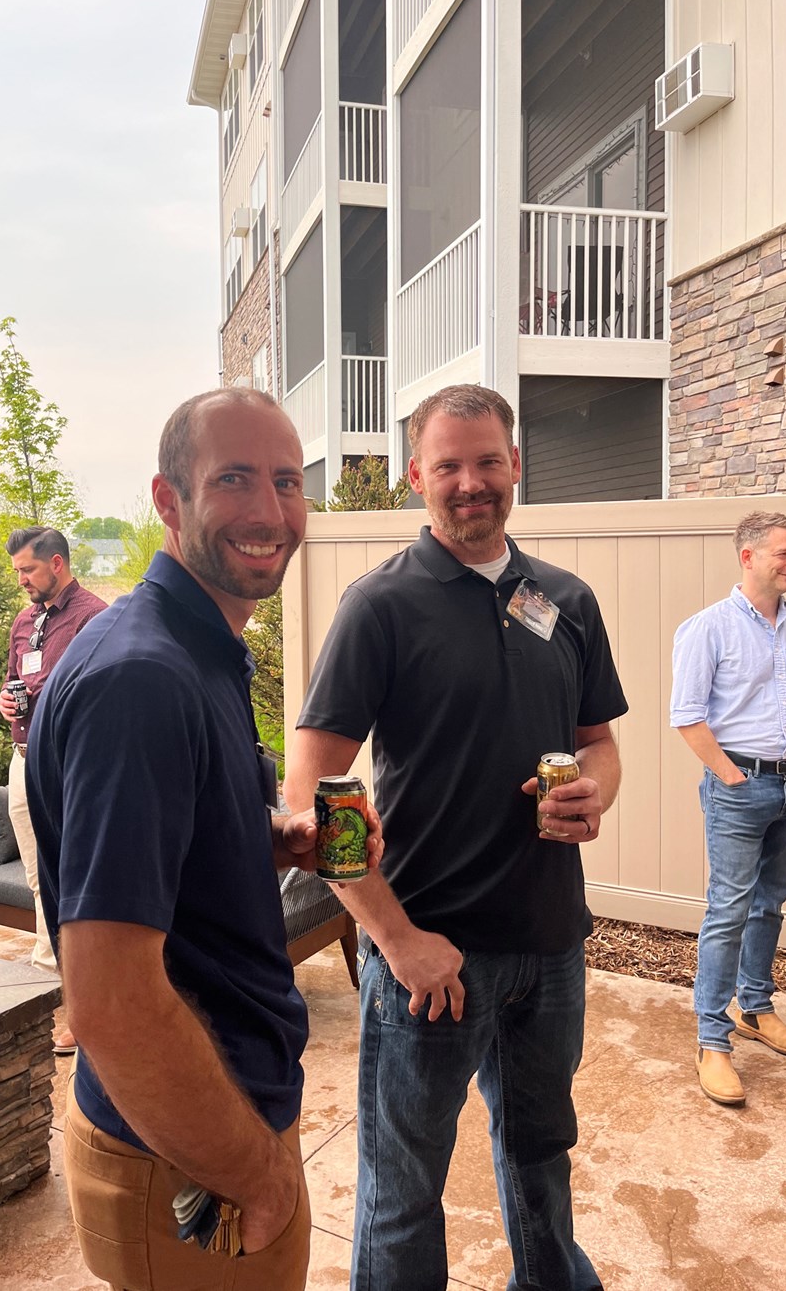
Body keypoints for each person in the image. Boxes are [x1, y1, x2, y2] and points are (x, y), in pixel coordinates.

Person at [24, 388, 380, 1291]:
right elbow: (107, 1002)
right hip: (186, 1156)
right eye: (234, 478)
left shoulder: (195, 649)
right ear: (167, 499)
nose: (269, 510)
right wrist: (255, 1174)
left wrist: (274, 836)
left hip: (203, 1125)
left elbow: (166, 851)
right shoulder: (143, 680)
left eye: (287, 480)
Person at [285, 383, 627, 1291]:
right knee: (404, 1191)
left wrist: (597, 791)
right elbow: (316, 790)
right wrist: (394, 939)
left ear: (518, 465)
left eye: (487, 462)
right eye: (448, 466)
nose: (470, 483)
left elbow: (599, 741)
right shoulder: (381, 606)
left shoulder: (566, 599)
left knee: (542, 1155)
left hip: (552, 945)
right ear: (416, 477)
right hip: (433, 960)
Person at [671, 511, 786, 1107]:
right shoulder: (707, 629)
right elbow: (686, 715)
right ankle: (712, 1040)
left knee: (770, 902)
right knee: (730, 909)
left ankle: (756, 1007)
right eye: (784, 554)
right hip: (741, 790)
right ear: (748, 557)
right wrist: (732, 778)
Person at [0, 526, 106, 1053]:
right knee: (40, 882)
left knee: (73, 883)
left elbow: (99, 695)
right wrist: (7, 700)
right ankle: (51, 991)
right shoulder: (24, 621)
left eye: (28, 570)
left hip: (68, 768)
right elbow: (13, 678)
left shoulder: (94, 616)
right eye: (18, 571)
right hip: (23, 762)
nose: (21, 580)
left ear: (58, 564)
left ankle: (85, 1009)